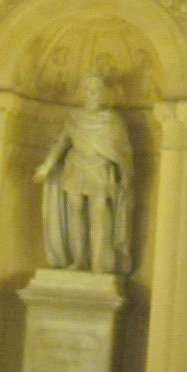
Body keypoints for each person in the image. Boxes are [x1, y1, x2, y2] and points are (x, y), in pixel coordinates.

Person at [35, 72, 133, 276]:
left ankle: (97, 263)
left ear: (103, 92)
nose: (93, 93)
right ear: (84, 91)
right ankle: (79, 260)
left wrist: (125, 174)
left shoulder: (111, 119)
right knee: (76, 213)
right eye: (89, 89)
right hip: (75, 166)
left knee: (98, 214)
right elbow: (62, 142)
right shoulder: (74, 117)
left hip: (99, 169)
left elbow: (122, 149)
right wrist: (47, 165)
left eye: (97, 89)